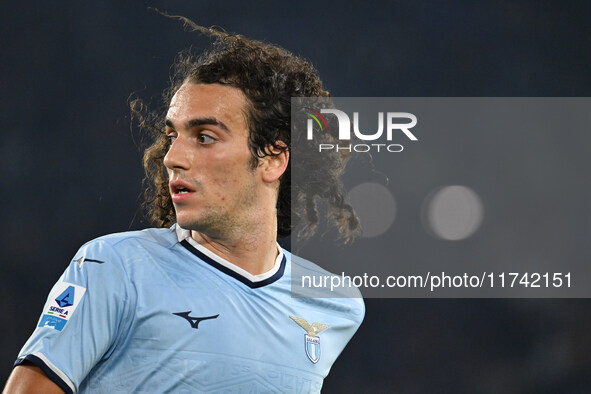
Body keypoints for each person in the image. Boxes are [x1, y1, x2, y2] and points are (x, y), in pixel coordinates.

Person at [4, 18, 364, 394]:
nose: (172, 157)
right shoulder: (114, 267)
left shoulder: (334, 304)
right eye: (173, 135)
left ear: (273, 159)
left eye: (204, 137)